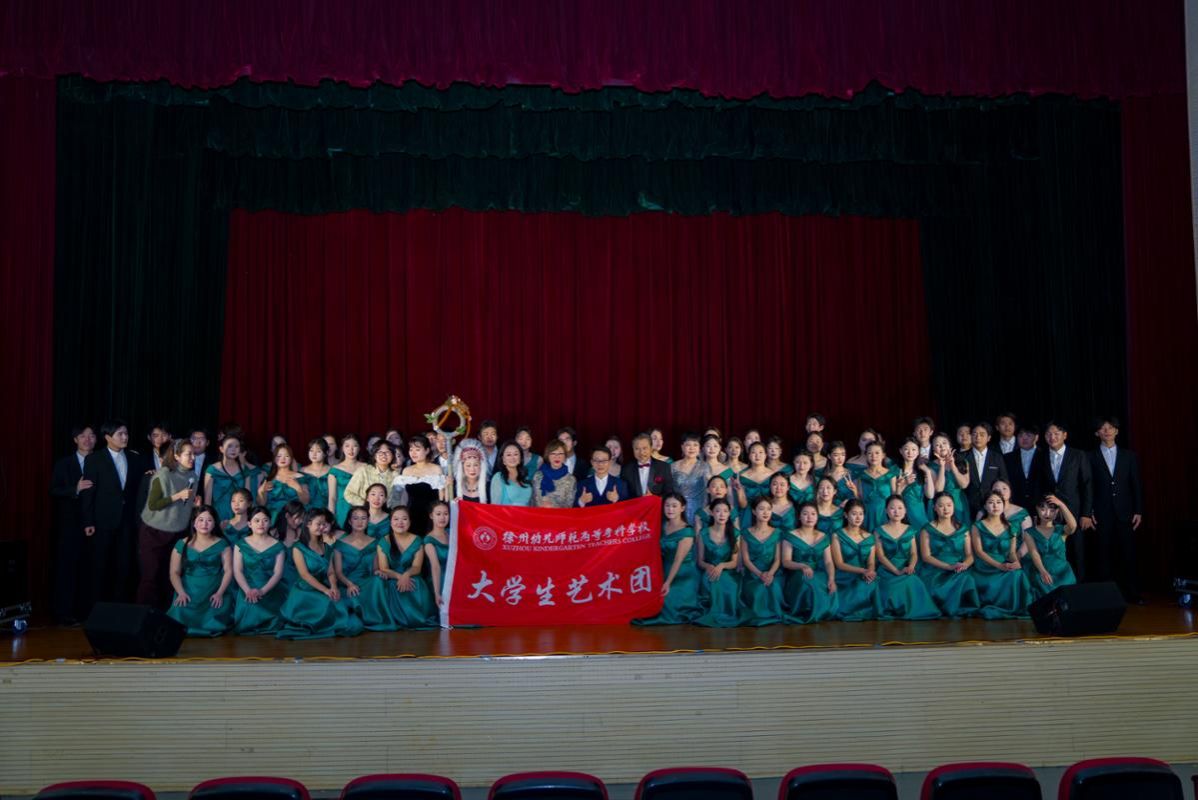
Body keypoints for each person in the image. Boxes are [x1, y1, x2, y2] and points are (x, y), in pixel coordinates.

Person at [80, 419, 143, 608]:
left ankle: (120, 609)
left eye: (126, 433)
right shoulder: (94, 459)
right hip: (103, 521)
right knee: (100, 565)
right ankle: (97, 609)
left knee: (124, 566)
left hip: (128, 521)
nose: (125, 437)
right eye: (120, 434)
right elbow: (88, 493)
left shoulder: (134, 458)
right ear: (107, 437)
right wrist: (88, 521)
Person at [276, 510, 364, 640]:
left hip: (325, 585)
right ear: (308, 524)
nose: (322, 527)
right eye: (318, 524)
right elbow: (304, 574)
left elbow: (331, 572)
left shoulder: (326, 547)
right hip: (306, 590)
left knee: (353, 622)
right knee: (329, 603)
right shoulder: (298, 548)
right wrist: (326, 591)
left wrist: (333, 587)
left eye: (324, 524)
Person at [138, 439, 199, 608]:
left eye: (194, 454)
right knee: (151, 576)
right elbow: (153, 504)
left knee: (170, 574)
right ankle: (145, 613)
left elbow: (184, 505)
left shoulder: (193, 476)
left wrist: (194, 505)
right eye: (188, 454)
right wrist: (177, 496)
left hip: (177, 532)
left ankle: (167, 613)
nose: (193, 458)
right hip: (154, 532)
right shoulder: (163, 474)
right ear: (177, 456)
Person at [1088, 416, 1143, 601]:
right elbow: (1088, 486)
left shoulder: (1129, 456)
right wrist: (1089, 511)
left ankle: (1133, 593)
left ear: (1117, 431)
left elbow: (1136, 484)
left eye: (1110, 427)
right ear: (1097, 433)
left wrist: (1138, 510)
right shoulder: (1089, 456)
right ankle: (1106, 597)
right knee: (1103, 555)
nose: (1107, 431)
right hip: (1101, 513)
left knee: (1128, 554)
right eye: (1102, 428)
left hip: (1125, 512)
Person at [1036, 421, 1094, 580]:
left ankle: (1078, 588)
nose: (1052, 437)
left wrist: (1086, 513)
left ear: (1065, 435)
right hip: (1050, 513)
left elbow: (1087, 485)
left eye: (1056, 433)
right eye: (1048, 434)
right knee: (1054, 552)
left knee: (1077, 552)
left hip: (1074, 512)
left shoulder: (1078, 455)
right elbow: (1038, 485)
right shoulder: (1040, 456)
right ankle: (1057, 587)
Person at [50, 424, 96, 624]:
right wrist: (75, 489)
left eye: (91, 436)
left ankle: (87, 612)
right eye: (82, 436)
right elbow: (54, 490)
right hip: (70, 526)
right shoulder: (64, 463)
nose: (87, 439)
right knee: (67, 569)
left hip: (96, 525)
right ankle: (65, 613)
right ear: (75, 440)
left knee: (90, 570)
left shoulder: (102, 461)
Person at [634, 493, 702, 625]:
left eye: (674, 506)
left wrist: (668, 582)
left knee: (666, 605)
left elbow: (678, 560)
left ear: (682, 508)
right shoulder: (663, 525)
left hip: (682, 573)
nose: (670, 509)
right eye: (667, 505)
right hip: (663, 570)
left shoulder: (687, 531)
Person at [165, 505, 233, 636]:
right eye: (200, 520)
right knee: (179, 613)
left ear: (215, 523)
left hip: (213, 589)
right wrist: (181, 593)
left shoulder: (222, 544)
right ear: (194, 523)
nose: (204, 524)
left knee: (216, 614)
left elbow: (228, 571)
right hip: (188, 589)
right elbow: (174, 572)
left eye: (209, 520)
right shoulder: (182, 544)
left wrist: (219, 593)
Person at [874, 496, 940, 620]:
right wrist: (896, 571)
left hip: (905, 568)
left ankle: (913, 611)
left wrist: (910, 566)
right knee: (889, 587)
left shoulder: (910, 530)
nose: (896, 511)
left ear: (905, 511)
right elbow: (881, 556)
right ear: (886, 510)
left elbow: (914, 554)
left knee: (913, 581)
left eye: (900, 508)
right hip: (887, 570)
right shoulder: (878, 531)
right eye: (892, 508)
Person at [970, 492, 1033, 619]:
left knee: (1018, 574)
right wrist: (998, 565)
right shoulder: (977, 526)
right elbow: (979, 551)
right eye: (991, 502)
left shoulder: (1010, 526)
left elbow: (1011, 553)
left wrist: (1016, 563)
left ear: (1003, 505)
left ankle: (1014, 608)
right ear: (985, 506)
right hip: (985, 565)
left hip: (1004, 562)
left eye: (998, 502)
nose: (995, 506)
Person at [332, 506, 394, 631]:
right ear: (350, 521)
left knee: (378, 580)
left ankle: (377, 619)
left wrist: (378, 571)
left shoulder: (375, 542)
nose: (360, 522)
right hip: (347, 583)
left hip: (366, 581)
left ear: (368, 521)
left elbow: (375, 568)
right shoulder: (339, 544)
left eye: (363, 518)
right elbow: (338, 572)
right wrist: (349, 584)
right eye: (356, 518)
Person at [918, 493, 980, 617]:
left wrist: (964, 565)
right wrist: (948, 567)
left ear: (953, 506)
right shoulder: (927, 529)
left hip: (958, 567)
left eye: (949, 505)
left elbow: (970, 555)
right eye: (941, 506)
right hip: (935, 568)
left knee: (967, 578)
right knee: (932, 585)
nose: (946, 509)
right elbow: (926, 556)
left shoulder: (963, 528)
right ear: (935, 508)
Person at [377, 506, 438, 629]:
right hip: (393, 579)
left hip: (412, 577)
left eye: (404, 519)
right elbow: (384, 568)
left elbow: (417, 567)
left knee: (416, 583)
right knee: (387, 585)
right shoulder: (383, 542)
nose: (400, 522)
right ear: (390, 522)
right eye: (396, 519)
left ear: (410, 522)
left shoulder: (417, 540)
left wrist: (406, 575)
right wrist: (400, 576)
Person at [231, 506, 287, 635]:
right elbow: (238, 571)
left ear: (270, 523)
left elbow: (278, 573)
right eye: (256, 521)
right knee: (245, 624)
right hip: (247, 588)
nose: (261, 524)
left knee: (275, 623)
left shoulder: (278, 546)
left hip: (270, 588)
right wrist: (248, 591)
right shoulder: (240, 544)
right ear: (249, 524)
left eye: (265, 520)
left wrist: (262, 591)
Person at [780, 502, 838, 624]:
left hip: (817, 571)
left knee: (826, 583)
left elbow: (828, 562)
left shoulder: (823, 536)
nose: (809, 517)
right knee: (808, 581)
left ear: (817, 517)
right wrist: (802, 566)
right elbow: (786, 561)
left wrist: (831, 579)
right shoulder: (790, 535)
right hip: (797, 572)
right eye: (805, 514)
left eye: (813, 514)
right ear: (799, 517)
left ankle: (821, 613)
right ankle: (807, 613)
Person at [693, 498, 742, 628]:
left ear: (729, 514)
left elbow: (734, 562)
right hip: (709, 570)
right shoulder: (703, 533)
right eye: (718, 511)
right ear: (712, 513)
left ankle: (727, 614)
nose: (722, 514)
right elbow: (700, 561)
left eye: (725, 511)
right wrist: (708, 566)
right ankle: (714, 613)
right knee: (711, 579)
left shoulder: (735, 533)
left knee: (726, 582)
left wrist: (722, 565)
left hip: (728, 571)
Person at [830, 500, 882, 621]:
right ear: (846, 515)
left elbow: (871, 562)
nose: (858, 517)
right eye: (854, 514)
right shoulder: (837, 535)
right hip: (844, 575)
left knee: (870, 583)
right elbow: (839, 564)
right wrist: (863, 571)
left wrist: (870, 571)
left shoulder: (869, 537)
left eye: (861, 514)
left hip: (863, 574)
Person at [1024, 494, 1079, 600]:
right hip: (1042, 572)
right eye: (1043, 509)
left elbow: (1073, 526)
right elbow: (1034, 553)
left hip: (1063, 574)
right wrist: (1042, 571)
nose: (1047, 513)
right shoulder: (1029, 532)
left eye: (1052, 510)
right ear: (1037, 509)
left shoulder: (1061, 530)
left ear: (1057, 511)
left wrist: (1061, 505)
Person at [738, 496, 783, 625]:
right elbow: (746, 560)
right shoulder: (745, 533)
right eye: (761, 509)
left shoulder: (777, 532)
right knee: (758, 589)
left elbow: (778, 559)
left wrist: (770, 574)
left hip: (773, 572)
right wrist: (760, 574)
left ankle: (774, 615)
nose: (765, 512)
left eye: (768, 509)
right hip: (753, 573)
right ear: (754, 511)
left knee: (773, 587)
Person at [257, 444, 311, 522]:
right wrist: (261, 491)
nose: (282, 459)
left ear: (291, 458)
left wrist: (298, 488)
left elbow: (306, 502)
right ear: (274, 458)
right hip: (273, 519)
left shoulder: (300, 477)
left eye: (286, 456)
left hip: (294, 518)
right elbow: (261, 504)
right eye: (279, 456)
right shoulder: (268, 479)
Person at [203, 433, 250, 523]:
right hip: (218, 516)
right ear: (221, 449)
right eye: (229, 446)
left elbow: (247, 498)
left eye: (237, 446)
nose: (233, 449)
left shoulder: (245, 470)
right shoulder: (212, 470)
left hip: (239, 517)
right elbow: (207, 501)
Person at [966, 422, 1010, 517]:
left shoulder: (997, 457)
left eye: (982, 434)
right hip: (967, 504)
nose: (978, 437)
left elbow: (1004, 480)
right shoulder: (962, 457)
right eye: (974, 434)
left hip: (992, 505)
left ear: (989, 438)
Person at [343, 440, 402, 510]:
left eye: (387, 452)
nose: (384, 455)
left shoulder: (396, 476)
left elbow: (397, 500)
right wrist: (366, 505)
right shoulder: (364, 471)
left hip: (385, 513)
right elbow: (348, 493)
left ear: (393, 456)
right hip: (364, 512)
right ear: (374, 455)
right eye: (380, 452)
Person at [892, 438, 934, 531]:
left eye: (914, 449)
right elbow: (894, 498)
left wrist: (927, 472)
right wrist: (904, 484)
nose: (910, 452)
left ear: (918, 451)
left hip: (919, 513)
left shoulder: (922, 471)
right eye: (906, 449)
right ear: (901, 451)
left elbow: (930, 495)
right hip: (901, 513)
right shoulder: (895, 470)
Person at [929, 432, 970, 524]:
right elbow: (938, 489)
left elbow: (964, 485)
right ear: (933, 449)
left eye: (944, 443)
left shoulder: (963, 462)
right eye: (937, 445)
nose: (942, 446)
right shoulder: (931, 466)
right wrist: (942, 466)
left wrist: (952, 465)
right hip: (940, 503)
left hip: (958, 501)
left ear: (950, 445)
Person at [857, 442, 898, 532]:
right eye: (870, 453)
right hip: (867, 513)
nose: (873, 456)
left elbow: (894, 497)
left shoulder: (890, 475)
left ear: (883, 455)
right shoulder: (861, 475)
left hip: (885, 513)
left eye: (877, 453)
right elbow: (860, 498)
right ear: (866, 455)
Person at [669, 434, 709, 522]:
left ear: (699, 448)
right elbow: (669, 490)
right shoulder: (673, 466)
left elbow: (708, 491)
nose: (692, 448)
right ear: (682, 447)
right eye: (688, 445)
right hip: (677, 510)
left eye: (695, 445)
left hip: (698, 510)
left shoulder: (705, 467)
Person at [1004, 423, 1044, 511]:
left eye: (1028, 435)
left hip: (1041, 505)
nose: (1024, 438)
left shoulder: (1045, 456)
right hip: (1015, 504)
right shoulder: (1007, 458)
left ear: (1036, 437)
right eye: (1021, 435)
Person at [328, 434, 365, 528]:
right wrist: (331, 519)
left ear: (359, 448)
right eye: (347, 446)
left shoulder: (366, 468)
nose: (351, 449)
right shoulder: (335, 470)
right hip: (342, 510)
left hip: (362, 509)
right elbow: (332, 498)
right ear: (342, 448)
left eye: (355, 446)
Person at [622, 433, 675, 498]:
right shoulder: (626, 469)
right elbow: (624, 495)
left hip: (656, 504)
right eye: (637, 449)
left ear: (651, 448)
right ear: (633, 449)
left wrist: (654, 498)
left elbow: (669, 493)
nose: (641, 452)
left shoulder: (664, 467)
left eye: (644, 448)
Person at [733, 441, 773, 528]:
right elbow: (742, 504)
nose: (757, 455)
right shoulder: (740, 476)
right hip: (747, 514)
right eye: (753, 452)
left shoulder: (774, 476)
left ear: (766, 455)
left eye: (761, 452)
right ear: (749, 455)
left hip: (769, 514)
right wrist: (739, 491)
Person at [423, 502, 452, 609]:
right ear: (431, 516)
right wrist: (437, 593)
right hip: (439, 578)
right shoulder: (429, 540)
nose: (442, 518)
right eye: (438, 514)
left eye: (446, 514)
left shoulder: (451, 533)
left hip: (454, 574)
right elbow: (435, 567)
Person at [533, 440, 578, 508]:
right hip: (537, 513)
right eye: (553, 453)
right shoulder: (538, 475)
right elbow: (532, 500)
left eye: (560, 453)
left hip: (558, 514)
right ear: (548, 455)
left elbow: (569, 506)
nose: (557, 457)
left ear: (565, 456)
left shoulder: (571, 479)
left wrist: (552, 507)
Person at [490, 440, 533, 506]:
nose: (512, 458)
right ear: (503, 459)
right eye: (508, 455)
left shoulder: (525, 477)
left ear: (520, 458)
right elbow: (495, 506)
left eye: (516, 454)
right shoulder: (498, 477)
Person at [300, 438, 332, 512]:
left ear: (325, 453)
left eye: (318, 451)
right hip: (307, 512)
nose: (314, 454)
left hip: (327, 511)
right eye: (311, 451)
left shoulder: (332, 471)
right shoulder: (302, 471)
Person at [453, 438, 489, 504]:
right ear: (462, 467)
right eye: (468, 465)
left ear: (481, 466)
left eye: (476, 465)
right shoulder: (454, 486)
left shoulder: (489, 487)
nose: (472, 469)